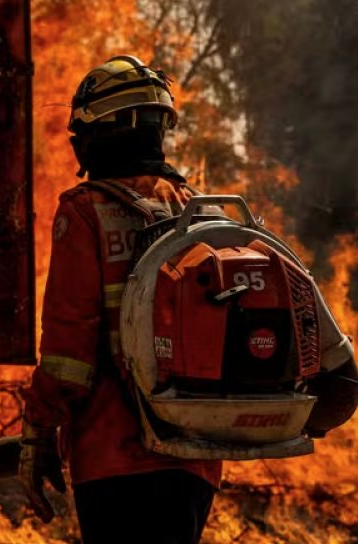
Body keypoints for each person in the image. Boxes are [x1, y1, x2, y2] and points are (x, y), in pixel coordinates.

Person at [18, 54, 219, 543]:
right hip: (194, 459)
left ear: (102, 132)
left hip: (113, 458)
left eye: (80, 135)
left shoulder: (84, 213)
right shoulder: (203, 213)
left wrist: (38, 433)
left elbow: (68, 356)